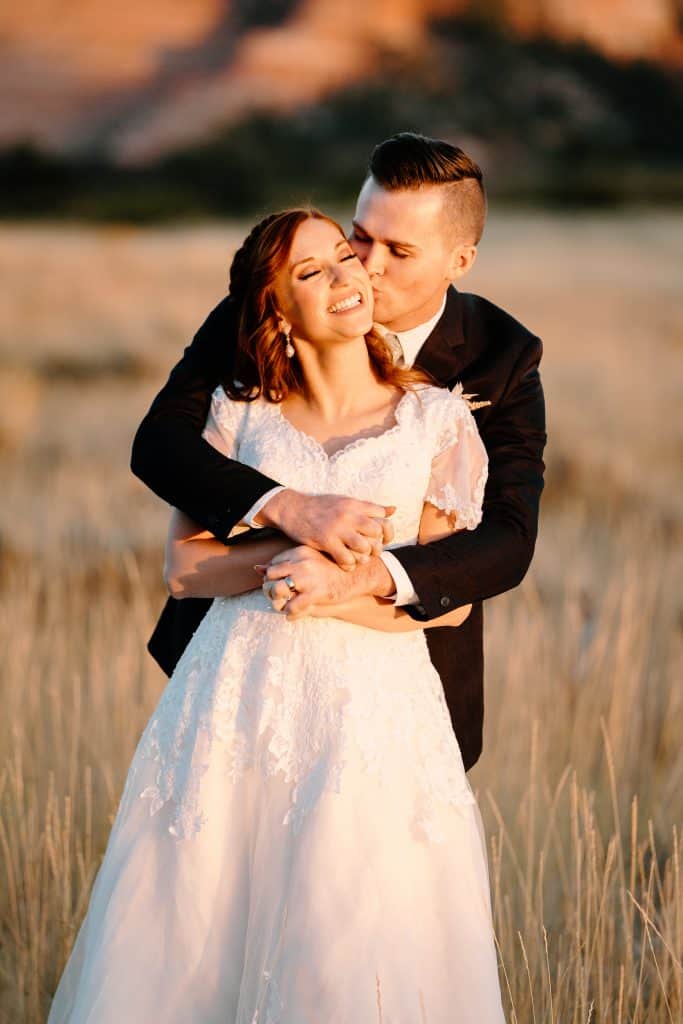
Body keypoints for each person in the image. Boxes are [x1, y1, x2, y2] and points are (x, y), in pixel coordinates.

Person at [48, 208, 505, 1021]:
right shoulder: (238, 420)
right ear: (275, 313)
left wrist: (345, 587)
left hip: (373, 714)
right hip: (231, 701)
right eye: (311, 272)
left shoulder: (435, 423)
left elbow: (449, 603)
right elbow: (186, 570)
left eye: (344, 256)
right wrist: (280, 560)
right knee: (198, 922)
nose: (346, 275)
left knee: (351, 932)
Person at [131, 132, 547, 772]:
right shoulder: (270, 307)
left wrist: (355, 574)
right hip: (236, 683)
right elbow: (159, 442)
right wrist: (285, 507)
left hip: (399, 690)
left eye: (399, 250)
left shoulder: (502, 357)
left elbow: (507, 541)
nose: (366, 266)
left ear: (459, 261)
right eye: (361, 234)